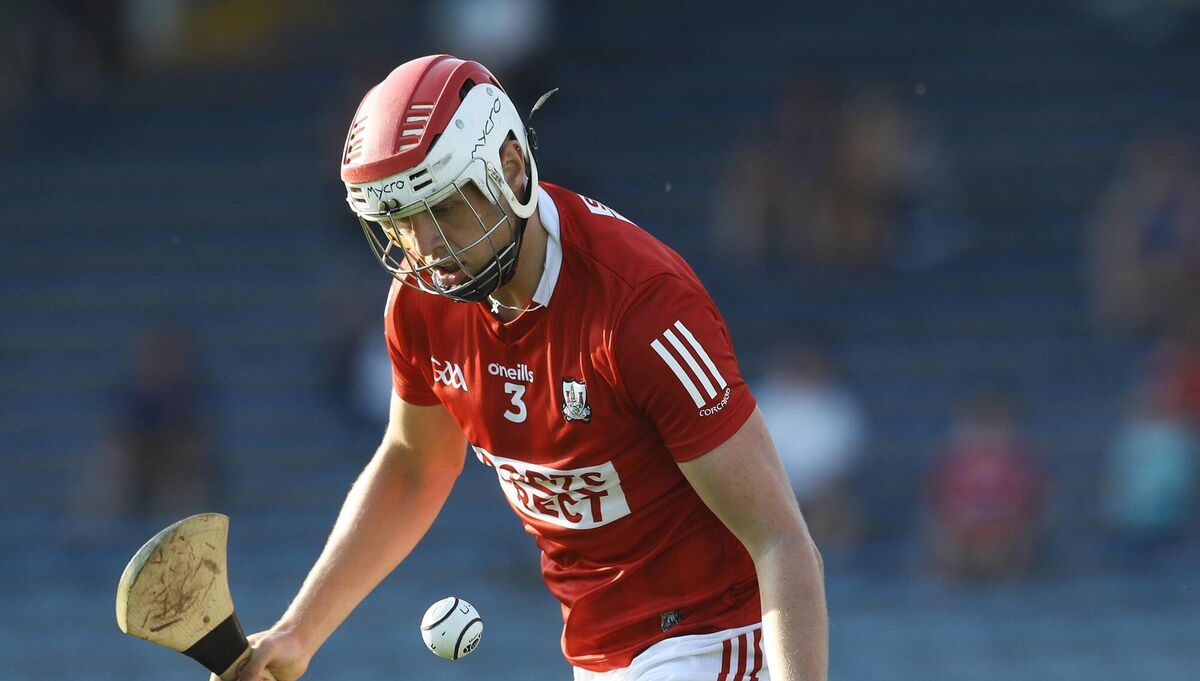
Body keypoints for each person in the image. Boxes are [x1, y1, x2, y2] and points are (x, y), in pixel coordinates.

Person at [217, 55, 828, 681]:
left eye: (445, 209)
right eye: (400, 222)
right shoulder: (421, 303)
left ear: (509, 169)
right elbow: (413, 464)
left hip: (717, 636)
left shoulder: (642, 310)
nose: (427, 249)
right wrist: (299, 630)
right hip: (600, 656)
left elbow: (782, 541)